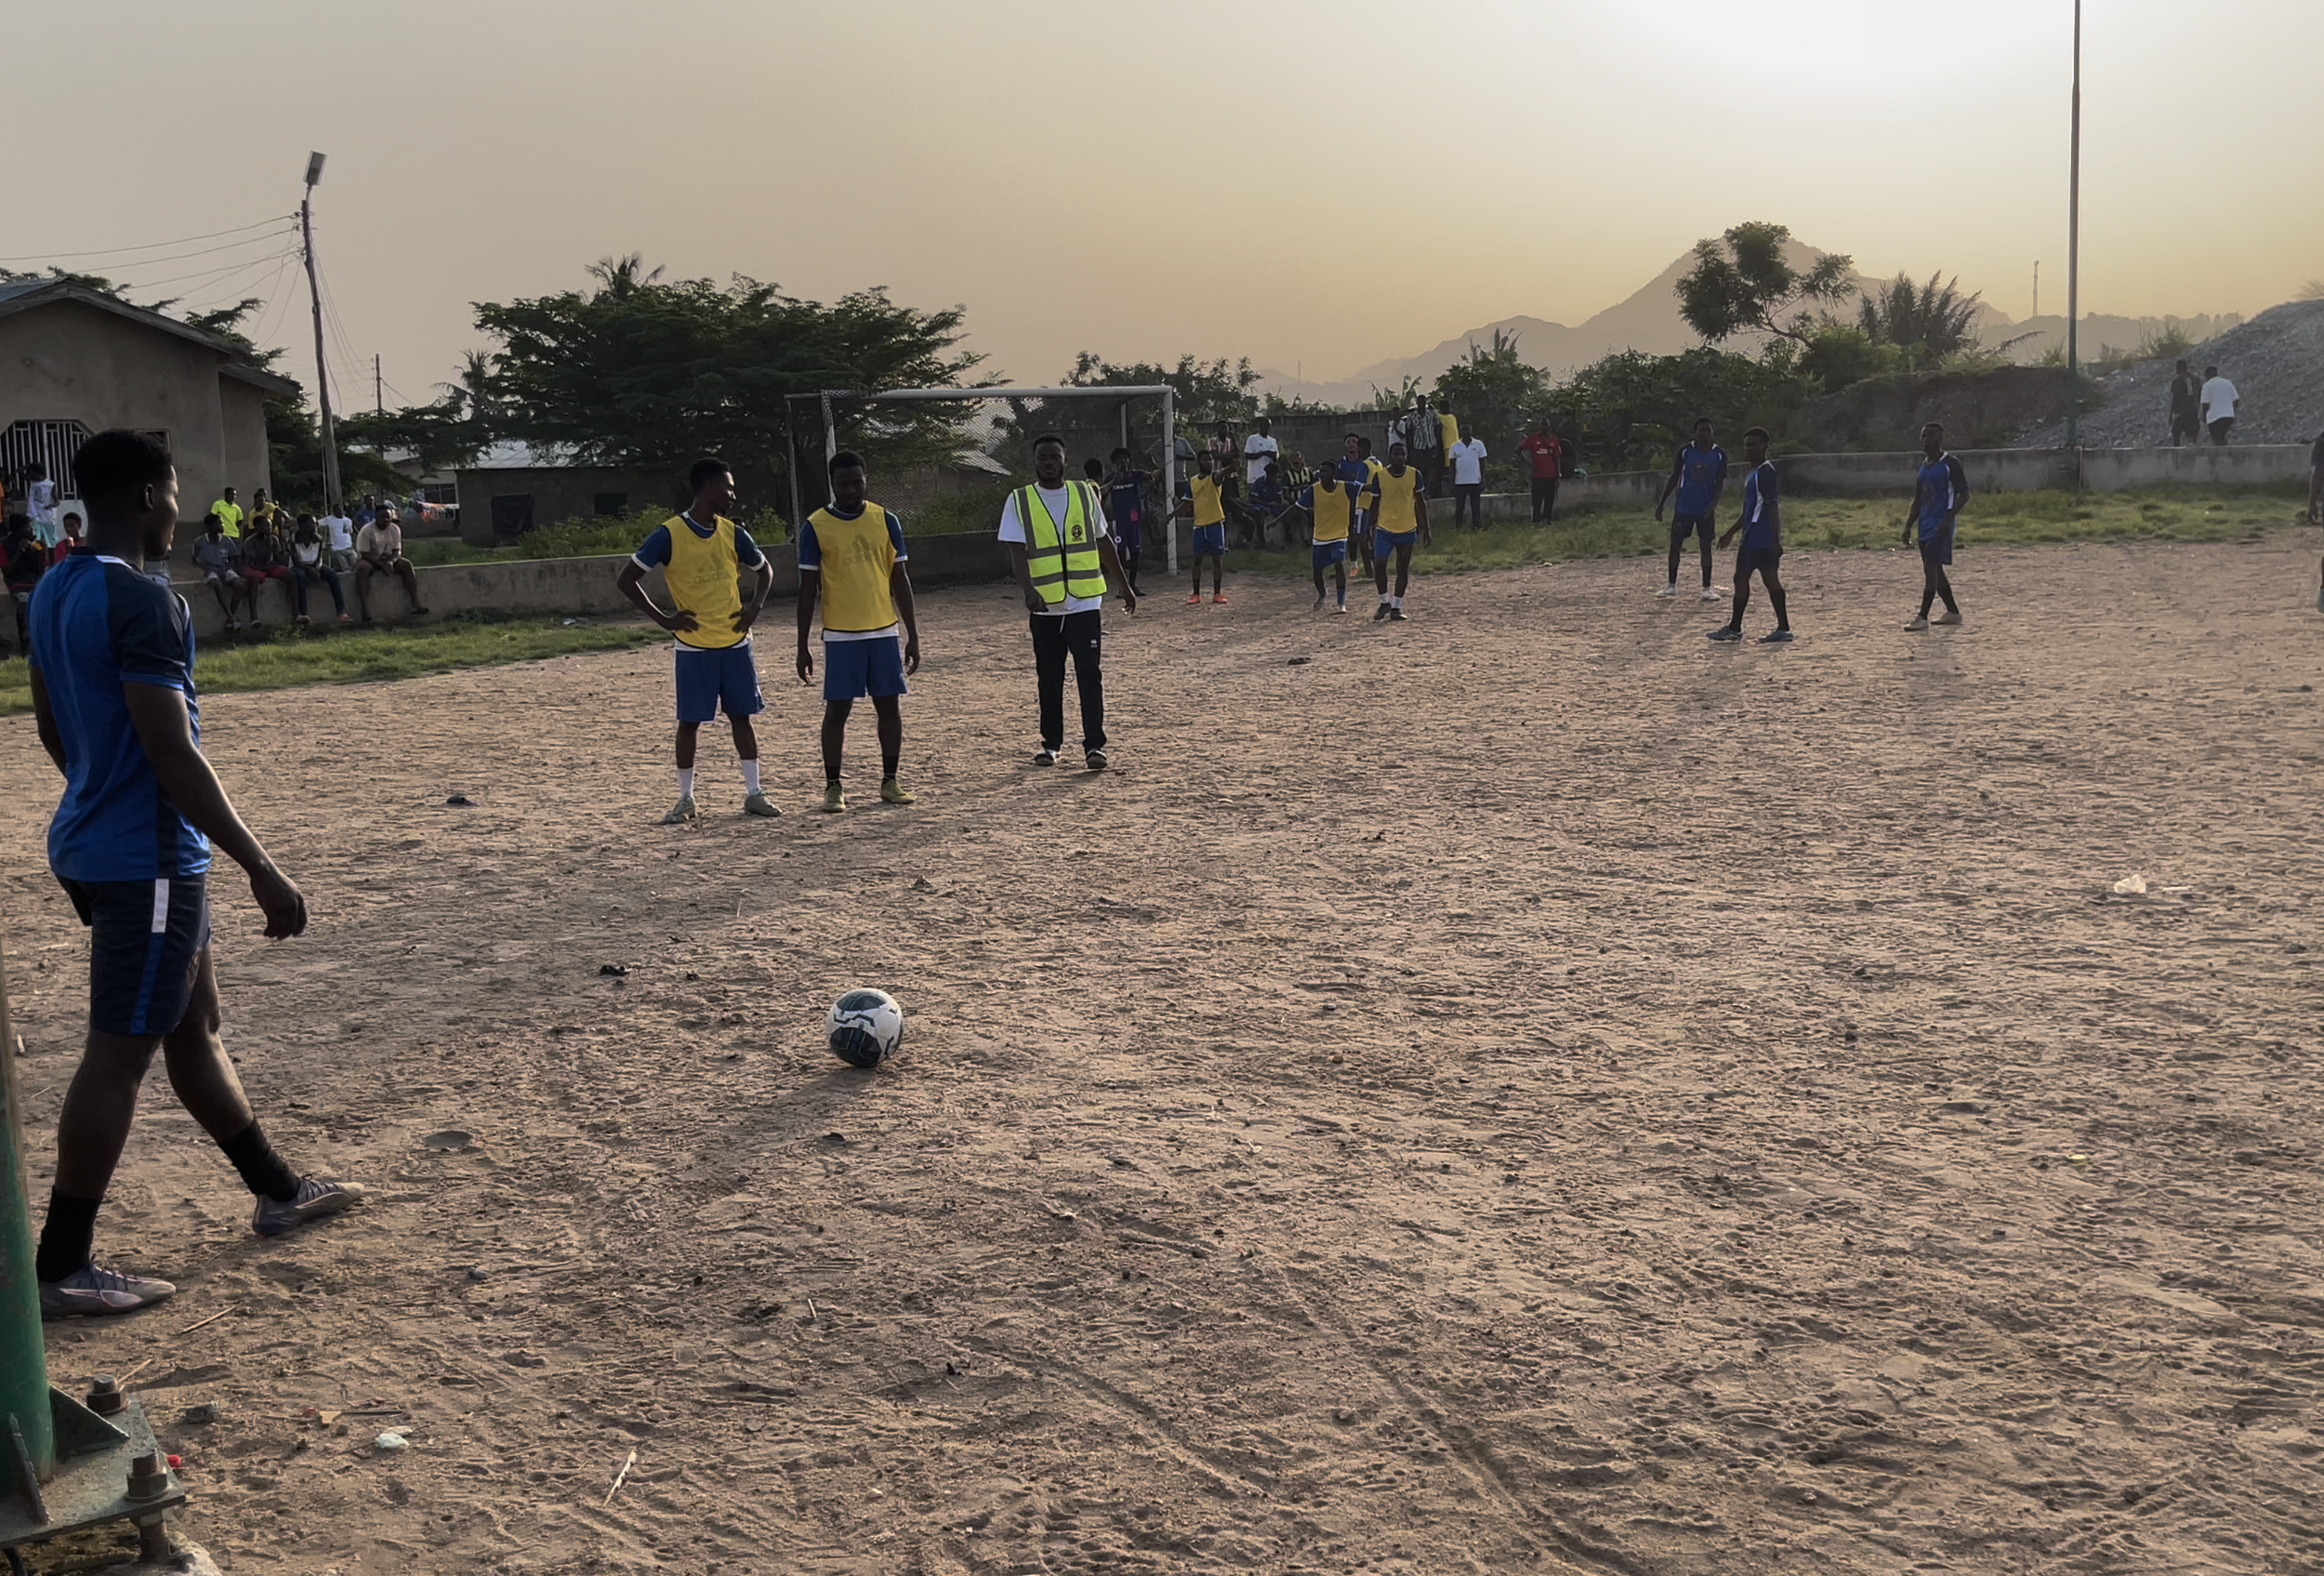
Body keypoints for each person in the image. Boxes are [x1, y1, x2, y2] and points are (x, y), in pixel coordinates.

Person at [29, 430, 362, 1318]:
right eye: (175, 491)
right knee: (121, 1051)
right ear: (145, 495)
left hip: (101, 846)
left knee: (193, 1023)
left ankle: (278, 1189)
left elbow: (51, 725)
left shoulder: (56, 584)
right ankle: (61, 1263)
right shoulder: (145, 599)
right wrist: (262, 865)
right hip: (147, 861)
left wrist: (97, 792)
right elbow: (172, 752)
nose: (180, 507)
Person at [615, 457, 780, 823]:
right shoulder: (668, 535)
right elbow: (627, 580)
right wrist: (665, 620)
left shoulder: (734, 533)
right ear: (709, 488)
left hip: (736, 644)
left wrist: (754, 607)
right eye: (729, 487)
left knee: (742, 718)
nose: (733, 495)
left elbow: (764, 569)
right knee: (689, 723)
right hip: (694, 648)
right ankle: (686, 799)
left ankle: (754, 793)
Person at [999, 432, 1138, 769]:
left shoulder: (1084, 494)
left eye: (1054, 457)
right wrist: (1028, 589)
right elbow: (1017, 550)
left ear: (1064, 460)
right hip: (1045, 607)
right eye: (1042, 458)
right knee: (1049, 676)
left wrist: (1124, 584)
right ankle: (1051, 745)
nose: (1048, 462)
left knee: (1089, 673)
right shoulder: (1019, 500)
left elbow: (1103, 541)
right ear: (1034, 463)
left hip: (1084, 602)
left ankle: (1095, 746)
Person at [796, 450, 919, 814]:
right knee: (837, 712)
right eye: (843, 484)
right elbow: (807, 589)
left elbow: (900, 579)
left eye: (857, 482)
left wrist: (912, 634)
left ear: (866, 480)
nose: (851, 489)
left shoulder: (886, 519)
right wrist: (802, 645)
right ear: (832, 485)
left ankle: (890, 780)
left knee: (889, 708)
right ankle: (833, 785)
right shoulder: (816, 525)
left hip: (883, 631)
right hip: (840, 634)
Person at [1708, 428, 1792, 644]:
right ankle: (1741, 627)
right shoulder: (1753, 473)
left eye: (1755, 444)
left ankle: (1776, 628)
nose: (1750, 448)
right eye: (1747, 444)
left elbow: (1773, 507)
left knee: (1768, 580)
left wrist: (1776, 540)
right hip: (1750, 538)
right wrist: (1730, 533)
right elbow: (1749, 511)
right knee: (1743, 579)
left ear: (1765, 446)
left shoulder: (1765, 472)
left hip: (1761, 539)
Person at [1901, 422, 1969, 631]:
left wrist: (1948, 520)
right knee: (1935, 570)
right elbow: (1918, 499)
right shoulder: (1924, 466)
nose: (1924, 441)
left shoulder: (1951, 463)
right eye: (1922, 437)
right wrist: (1908, 526)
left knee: (1931, 569)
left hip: (1941, 526)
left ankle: (1922, 617)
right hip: (1925, 525)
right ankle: (1953, 613)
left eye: (1928, 437)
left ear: (1939, 438)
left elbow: (1964, 494)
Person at [1653, 419, 1730, 602]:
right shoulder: (1686, 451)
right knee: (1675, 545)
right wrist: (1662, 503)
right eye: (1701, 430)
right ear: (1695, 433)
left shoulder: (1720, 455)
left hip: (1705, 510)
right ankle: (1671, 585)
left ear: (1713, 432)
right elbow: (1674, 477)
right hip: (1684, 508)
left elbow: (1719, 483)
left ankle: (1706, 588)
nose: (1705, 434)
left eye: (1708, 430)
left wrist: (1713, 504)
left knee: (1705, 547)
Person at [1364, 440, 1432, 622]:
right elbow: (1375, 504)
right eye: (1396, 454)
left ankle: (1397, 606)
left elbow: (1421, 503)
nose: (1400, 457)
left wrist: (1426, 529)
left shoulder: (1414, 475)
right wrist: (1369, 528)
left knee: (1402, 569)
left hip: (1407, 529)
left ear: (1406, 457)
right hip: (1384, 529)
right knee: (1379, 564)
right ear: (1390, 456)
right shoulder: (1380, 477)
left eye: (1403, 454)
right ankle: (1383, 601)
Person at [1301, 463, 1358, 614]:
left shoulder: (1345, 487)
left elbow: (1364, 488)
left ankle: (1341, 602)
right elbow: (1296, 506)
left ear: (1333, 474)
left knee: (1338, 563)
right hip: (1320, 535)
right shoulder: (1313, 490)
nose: (1321, 474)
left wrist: (1379, 486)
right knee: (1317, 571)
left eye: (1325, 471)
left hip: (1339, 534)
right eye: (1320, 471)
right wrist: (1276, 521)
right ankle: (1322, 593)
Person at [354, 508, 429, 621]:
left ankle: (415, 604)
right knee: (362, 569)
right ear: (376, 517)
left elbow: (397, 551)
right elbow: (365, 554)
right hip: (370, 559)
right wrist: (381, 565)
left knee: (406, 565)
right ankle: (365, 610)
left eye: (388, 517)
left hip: (388, 557)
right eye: (382, 517)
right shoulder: (366, 530)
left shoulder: (395, 529)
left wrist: (390, 562)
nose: (385, 520)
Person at [1179, 450, 1230, 604]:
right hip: (1199, 526)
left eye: (1211, 460)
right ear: (1199, 462)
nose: (1210, 462)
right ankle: (1196, 594)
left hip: (1215, 523)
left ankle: (1217, 593)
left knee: (1216, 560)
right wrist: (1173, 514)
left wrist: (1229, 468)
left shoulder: (1214, 477)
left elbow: (1220, 475)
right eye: (1206, 460)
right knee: (1197, 561)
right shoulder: (1193, 481)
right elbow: (1187, 501)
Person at [1103, 448, 1150, 595]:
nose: (1122, 461)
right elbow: (1102, 493)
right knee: (1120, 553)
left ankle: (1132, 585)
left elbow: (1151, 476)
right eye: (1119, 459)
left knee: (1135, 552)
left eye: (1124, 458)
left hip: (1134, 519)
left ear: (1129, 461)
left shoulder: (1135, 475)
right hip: (1120, 521)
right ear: (1114, 463)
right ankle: (1123, 587)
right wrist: (1113, 481)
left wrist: (1156, 474)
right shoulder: (1111, 479)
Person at [288, 515, 350, 624]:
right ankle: (304, 614)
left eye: (315, 523)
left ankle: (341, 612)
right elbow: (296, 560)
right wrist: (309, 570)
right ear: (302, 526)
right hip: (298, 567)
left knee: (333, 575)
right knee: (301, 577)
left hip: (315, 565)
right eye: (312, 523)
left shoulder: (319, 539)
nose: (315, 526)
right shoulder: (293, 539)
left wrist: (317, 568)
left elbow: (319, 558)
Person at [237, 513, 294, 625]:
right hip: (255, 568)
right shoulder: (249, 542)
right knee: (253, 579)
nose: (269, 528)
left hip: (268, 567)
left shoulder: (273, 539)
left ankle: (296, 613)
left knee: (290, 575)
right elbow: (252, 562)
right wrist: (263, 568)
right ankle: (254, 618)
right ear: (257, 528)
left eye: (269, 526)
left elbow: (278, 558)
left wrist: (269, 566)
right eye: (265, 526)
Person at [188, 514, 242, 629]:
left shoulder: (227, 540)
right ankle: (230, 615)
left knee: (238, 583)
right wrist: (205, 569)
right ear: (209, 526)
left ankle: (230, 616)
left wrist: (227, 568)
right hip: (209, 570)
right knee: (216, 583)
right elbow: (193, 560)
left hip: (224, 568)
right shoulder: (200, 542)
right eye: (219, 523)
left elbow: (234, 558)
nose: (222, 525)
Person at [6, 514, 47, 654]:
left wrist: (42, 553)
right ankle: (26, 643)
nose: (31, 530)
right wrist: (19, 552)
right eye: (27, 527)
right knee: (24, 601)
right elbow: (7, 571)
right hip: (17, 584)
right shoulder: (4, 545)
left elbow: (40, 570)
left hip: (35, 583)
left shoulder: (34, 544)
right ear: (18, 530)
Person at [1336, 433, 1375, 560]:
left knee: (1363, 534)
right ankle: (1354, 564)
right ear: (1345, 446)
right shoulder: (1341, 464)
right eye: (1349, 442)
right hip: (1347, 502)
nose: (1352, 444)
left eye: (1354, 442)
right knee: (1351, 534)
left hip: (1362, 503)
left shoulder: (1365, 464)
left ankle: (1370, 565)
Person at [1517, 422, 1562, 523]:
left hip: (1551, 474)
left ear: (1549, 427)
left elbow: (1557, 457)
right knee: (1536, 499)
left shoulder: (1554, 440)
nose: (1543, 427)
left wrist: (1558, 473)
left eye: (1545, 425)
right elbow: (1519, 450)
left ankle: (1547, 518)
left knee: (1549, 499)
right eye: (1542, 425)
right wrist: (1529, 464)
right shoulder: (1533, 439)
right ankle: (1536, 519)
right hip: (1537, 475)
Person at [1447, 425, 1488, 528]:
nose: (1466, 432)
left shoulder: (1478, 444)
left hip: (1475, 480)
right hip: (1460, 481)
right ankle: (1458, 527)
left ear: (1471, 431)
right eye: (1463, 430)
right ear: (1460, 432)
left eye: (1468, 429)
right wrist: (1451, 482)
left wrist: (1483, 479)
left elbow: (1482, 463)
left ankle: (1477, 526)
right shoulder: (1455, 445)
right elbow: (1452, 466)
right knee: (1460, 507)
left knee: (1475, 506)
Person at [2199, 364, 2238, 445]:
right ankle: (2226, 452)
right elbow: (2236, 399)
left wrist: (2204, 418)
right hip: (2228, 416)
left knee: (2216, 438)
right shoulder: (2228, 383)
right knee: (2222, 437)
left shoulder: (2207, 385)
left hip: (2214, 417)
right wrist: (2232, 411)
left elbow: (2205, 404)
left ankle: (2220, 456)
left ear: (2207, 375)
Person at [26, 463, 61, 553]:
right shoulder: (33, 483)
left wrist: (50, 505)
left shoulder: (50, 485)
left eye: (31, 473)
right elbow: (19, 472)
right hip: (34, 516)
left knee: (50, 543)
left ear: (37, 473)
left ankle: (52, 562)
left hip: (47, 517)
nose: (29, 475)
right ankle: (40, 561)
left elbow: (57, 502)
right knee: (36, 541)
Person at [2167, 360, 2203, 446]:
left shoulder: (2177, 380)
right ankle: (2193, 453)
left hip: (2181, 412)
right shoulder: (2196, 379)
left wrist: (2171, 414)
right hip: (2193, 411)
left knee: (2175, 434)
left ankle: (2177, 453)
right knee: (2192, 435)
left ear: (2179, 368)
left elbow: (2175, 397)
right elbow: (2200, 395)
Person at [1243, 416, 1280, 491]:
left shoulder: (1272, 441)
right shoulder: (1252, 439)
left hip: (1269, 478)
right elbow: (1247, 455)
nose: (1265, 428)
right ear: (1259, 426)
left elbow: (1276, 459)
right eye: (1263, 426)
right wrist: (1263, 453)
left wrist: (1272, 455)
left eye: (1267, 426)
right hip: (1255, 476)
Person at [1435, 405, 1463, 499]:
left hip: (1448, 445)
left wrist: (1433, 409)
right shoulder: (1453, 417)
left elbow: (1435, 415)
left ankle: (1450, 487)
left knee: (1449, 467)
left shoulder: (1444, 418)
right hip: (1456, 445)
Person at [320, 502, 355, 572]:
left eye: (339, 509)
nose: (338, 512)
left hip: (348, 547)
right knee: (345, 566)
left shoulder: (348, 520)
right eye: (335, 510)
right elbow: (318, 523)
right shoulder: (330, 519)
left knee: (355, 563)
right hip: (337, 548)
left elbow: (350, 532)